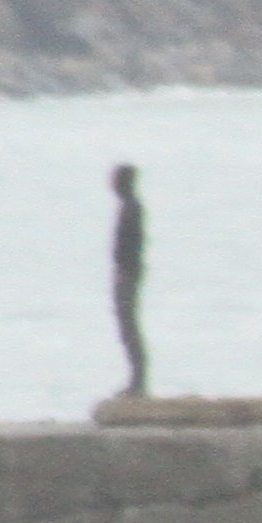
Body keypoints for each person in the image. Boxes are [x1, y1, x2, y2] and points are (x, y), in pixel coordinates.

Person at [107, 164, 151, 402]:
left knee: (129, 327)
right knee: (127, 327)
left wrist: (125, 270)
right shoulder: (129, 207)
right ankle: (136, 381)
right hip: (126, 273)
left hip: (128, 274)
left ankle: (139, 382)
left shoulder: (132, 208)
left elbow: (133, 244)